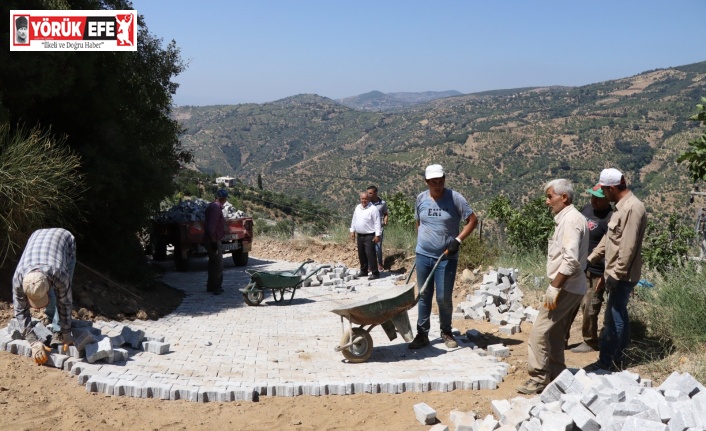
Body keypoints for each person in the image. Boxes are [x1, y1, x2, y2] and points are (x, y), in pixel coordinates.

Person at [518, 179, 588, 394]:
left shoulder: (570, 221)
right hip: (572, 286)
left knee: (539, 332)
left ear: (563, 197)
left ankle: (538, 378)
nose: (547, 202)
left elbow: (570, 260)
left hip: (566, 287)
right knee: (556, 332)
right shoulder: (570, 218)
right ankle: (558, 373)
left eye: (550, 197)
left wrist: (555, 287)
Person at [408, 164, 477, 350]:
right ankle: (422, 334)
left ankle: (446, 332)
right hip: (423, 255)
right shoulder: (421, 198)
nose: (437, 185)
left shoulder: (455, 198)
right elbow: (419, 222)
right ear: (426, 182)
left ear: (444, 179)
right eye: (433, 182)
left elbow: (473, 220)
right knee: (423, 295)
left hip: (446, 257)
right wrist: (422, 242)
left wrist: (458, 241)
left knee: (443, 297)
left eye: (440, 181)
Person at [585, 168, 647, 372]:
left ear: (612, 188)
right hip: (614, 272)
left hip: (622, 274)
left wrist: (615, 274)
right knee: (618, 314)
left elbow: (627, 247)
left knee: (613, 318)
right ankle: (619, 356)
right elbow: (609, 238)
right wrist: (591, 258)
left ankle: (609, 361)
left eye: (604, 190)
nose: (603, 194)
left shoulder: (632, 208)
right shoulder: (620, 207)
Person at [12, 228, 76, 365]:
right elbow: (20, 310)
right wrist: (33, 342)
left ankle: (58, 330)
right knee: (53, 299)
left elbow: (65, 301)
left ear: (48, 285)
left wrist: (67, 333)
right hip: (36, 236)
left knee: (60, 294)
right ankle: (50, 317)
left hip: (65, 240)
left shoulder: (60, 274)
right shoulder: (18, 280)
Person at [567, 184, 613, 353]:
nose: (593, 201)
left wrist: (604, 275)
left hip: (596, 271)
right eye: (592, 197)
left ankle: (590, 340)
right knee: (570, 303)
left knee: (589, 306)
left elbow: (611, 248)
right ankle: (562, 337)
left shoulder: (611, 218)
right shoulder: (586, 209)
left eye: (598, 198)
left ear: (607, 199)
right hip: (579, 266)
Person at [349, 192, 382, 280]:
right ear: (360, 199)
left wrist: (377, 235)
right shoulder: (357, 208)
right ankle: (364, 271)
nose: (364, 201)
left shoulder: (373, 209)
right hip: (360, 235)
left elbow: (377, 222)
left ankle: (375, 272)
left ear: (369, 199)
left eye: (366, 199)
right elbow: (354, 219)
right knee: (361, 253)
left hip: (370, 235)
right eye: (362, 199)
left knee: (370, 253)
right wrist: (352, 230)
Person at [204, 189, 228, 295]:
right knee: (218, 265)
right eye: (225, 198)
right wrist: (214, 242)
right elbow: (211, 228)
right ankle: (216, 287)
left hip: (210, 240)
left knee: (213, 263)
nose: (226, 200)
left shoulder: (213, 206)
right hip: (213, 240)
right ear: (222, 198)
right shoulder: (215, 208)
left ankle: (210, 285)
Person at [367, 185, 389, 272]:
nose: (368, 195)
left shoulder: (382, 203)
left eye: (370, 193)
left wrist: (386, 220)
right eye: (367, 193)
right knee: (369, 248)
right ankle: (370, 265)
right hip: (369, 228)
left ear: (375, 193)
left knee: (378, 247)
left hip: (379, 228)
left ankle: (380, 264)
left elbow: (386, 213)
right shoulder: (368, 203)